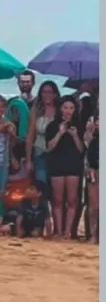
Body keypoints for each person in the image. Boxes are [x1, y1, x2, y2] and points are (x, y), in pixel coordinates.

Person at [45, 96, 85, 238]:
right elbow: (49, 147)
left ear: (75, 110)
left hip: (73, 166)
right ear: (60, 109)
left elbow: (82, 149)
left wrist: (74, 136)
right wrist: (60, 133)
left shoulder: (79, 126)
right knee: (57, 200)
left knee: (72, 200)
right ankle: (58, 230)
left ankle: (68, 231)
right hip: (57, 165)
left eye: (71, 108)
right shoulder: (52, 125)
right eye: (65, 107)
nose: (68, 111)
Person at [25, 81, 60, 192]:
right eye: (44, 92)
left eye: (50, 92)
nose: (47, 95)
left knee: (56, 190)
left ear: (55, 94)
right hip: (40, 153)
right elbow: (30, 136)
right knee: (41, 186)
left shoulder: (60, 110)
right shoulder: (36, 110)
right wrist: (28, 160)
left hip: (57, 154)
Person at [6, 70, 35, 140]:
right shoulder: (12, 102)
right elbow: (6, 121)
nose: (25, 84)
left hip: (33, 142)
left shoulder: (38, 102)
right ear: (18, 83)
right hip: (15, 141)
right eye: (22, 82)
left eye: (28, 82)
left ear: (33, 83)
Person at [84, 108, 98, 243]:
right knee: (93, 203)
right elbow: (86, 143)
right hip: (93, 164)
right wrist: (90, 131)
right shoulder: (92, 119)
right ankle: (94, 234)